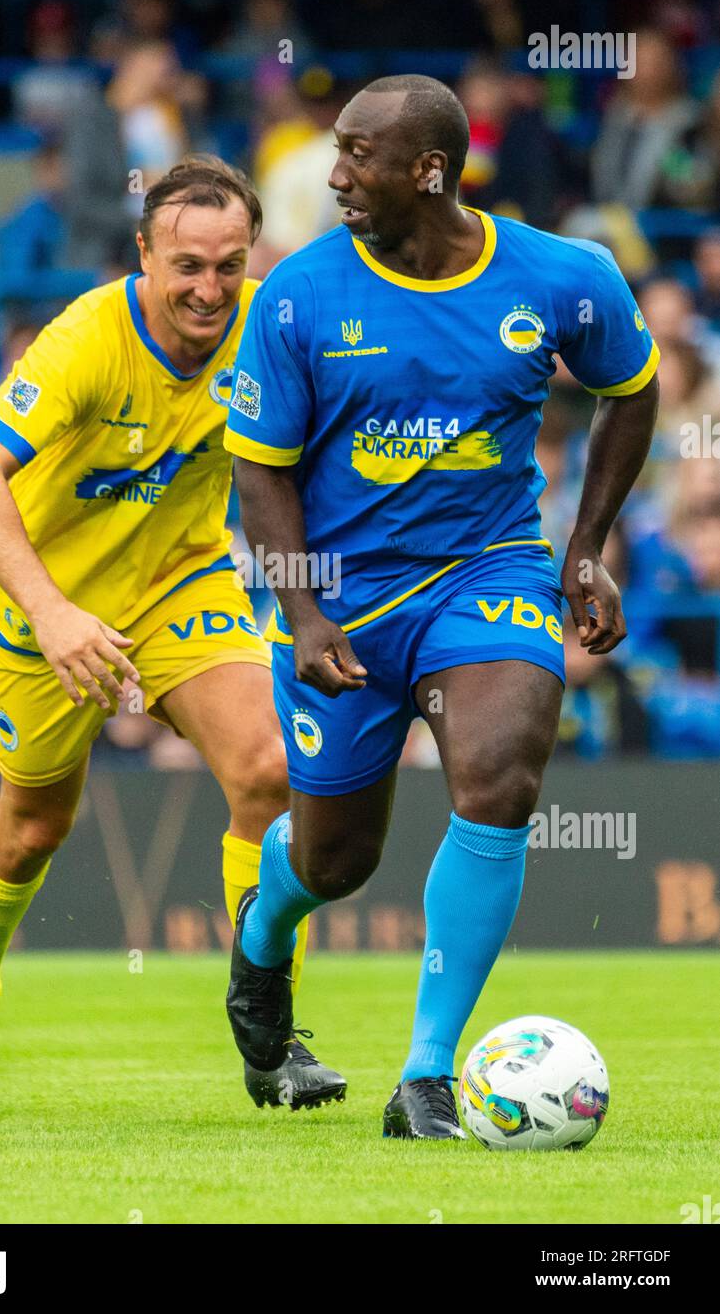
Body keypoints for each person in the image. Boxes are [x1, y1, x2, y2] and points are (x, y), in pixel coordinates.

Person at [223, 75, 659, 1140]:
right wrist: (307, 611)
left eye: (356, 156)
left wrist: (588, 545)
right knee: (335, 861)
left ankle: (425, 1073)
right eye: (336, 150)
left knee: (500, 777)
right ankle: (260, 938)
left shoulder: (564, 277)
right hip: (346, 599)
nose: (334, 176)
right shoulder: (296, 297)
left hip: (492, 569)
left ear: (429, 170)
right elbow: (259, 470)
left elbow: (632, 385)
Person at [0, 156, 344, 1116]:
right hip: (49, 605)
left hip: (179, 584)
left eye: (228, 266)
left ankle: (268, 1034)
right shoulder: (85, 342)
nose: (208, 289)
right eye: (187, 265)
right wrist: (53, 612)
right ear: (144, 256)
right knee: (30, 832)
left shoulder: (267, 328)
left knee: (271, 771)